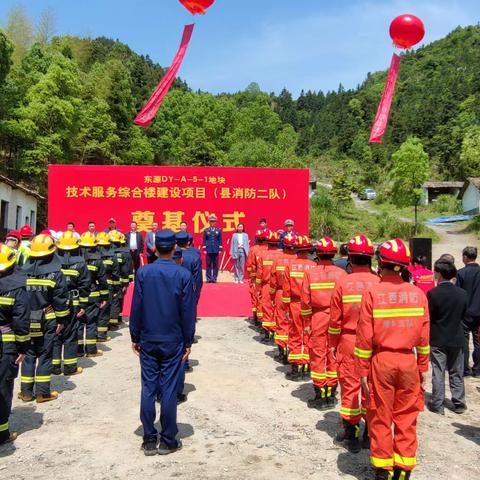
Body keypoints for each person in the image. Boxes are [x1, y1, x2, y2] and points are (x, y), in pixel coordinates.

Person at [355, 238, 430, 480]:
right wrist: (421, 369)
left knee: (380, 416)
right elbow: (424, 338)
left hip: (382, 362)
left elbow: (364, 338)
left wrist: (363, 372)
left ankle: (383, 470)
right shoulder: (418, 295)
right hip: (409, 361)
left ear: (381, 263)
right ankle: (403, 470)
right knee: (407, 418)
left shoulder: (373, 294)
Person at [130, 230, 196, 456]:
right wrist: (188, 340)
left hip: (148, 338)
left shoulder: (144, 273)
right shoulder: (183, 275)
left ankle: (149, 439)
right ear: (175, 249)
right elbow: (188, 312)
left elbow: (136, 307)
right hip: (173, 339)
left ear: (155, 248)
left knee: (148, 388)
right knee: (168, 388)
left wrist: (134, 336)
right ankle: (168, 439)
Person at [329, 234, 380, 453]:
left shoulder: (343, 282)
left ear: (350, 257)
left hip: (349, 340)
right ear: (371, 258)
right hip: (375, 343)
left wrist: (332, 344)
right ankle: (370, 433)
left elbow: (334, 321)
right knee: (372, 388)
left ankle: (350, 434)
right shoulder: (380, 283)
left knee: (350, 386)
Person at [19, 234, 70, 403]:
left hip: (26, 318)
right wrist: (62, 321)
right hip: (46, 317)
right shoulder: (55, 274)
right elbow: (60, 300)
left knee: (28, 352)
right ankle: (42, 393)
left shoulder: (22, 272)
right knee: (45, 353)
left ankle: (26, 392)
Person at [300, 237, 347, 410]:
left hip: (318, 317)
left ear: (317, 254)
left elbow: (305, 302)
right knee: (333, 353)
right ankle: (332, 392)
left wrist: (306, 322)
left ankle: (320, 394)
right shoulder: (342, 274)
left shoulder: (310, 273)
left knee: (318, 352)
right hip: (337, 317)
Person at [427, 260, 467, 415]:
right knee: (457, 371)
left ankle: (437, 403)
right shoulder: (462, 294)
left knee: (438, 371)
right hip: (457, 338)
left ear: (440, 274)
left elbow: (430, 317)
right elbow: (463, 315)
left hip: (438, 338)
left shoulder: (433, 294)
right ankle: (459, 402)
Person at [0, 244, 30, 445]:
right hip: (6, 343)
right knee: (3, 386)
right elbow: (20, 320)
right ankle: (1, 432)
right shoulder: (16, 286)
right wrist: (22, 347)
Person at [53, 231, 90, 376]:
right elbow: (85, 286)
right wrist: (83, 306)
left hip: (55, 304)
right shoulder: (80, 263)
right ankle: (69, 367)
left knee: (55, 333)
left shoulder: (53, 262)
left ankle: (55, 367)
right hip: (73, 303)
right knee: (70, 335)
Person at [282, 235, 316, 381]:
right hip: (310, 306)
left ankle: (296, 368)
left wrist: (285, 307)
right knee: (308, 334)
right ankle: (308, 366)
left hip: (295, 304)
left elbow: (286, 289)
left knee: (295, 334)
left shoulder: (290, 265)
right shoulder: (314, 266)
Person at [270, 232, 296, 364]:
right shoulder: (300, 261)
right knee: (296, 328)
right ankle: (295, 353)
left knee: (282, 322)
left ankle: (282, 352)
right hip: (300, 300)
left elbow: (273, 280)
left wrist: (272, 295)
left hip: (281, 294)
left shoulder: (278, 260)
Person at [79, 232, 109, 345]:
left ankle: (79, 350)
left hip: (79, 296)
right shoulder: (98, 261)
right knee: (91, 322)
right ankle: (91, 350)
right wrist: (105, 297)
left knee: (79, 324)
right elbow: (102, 280)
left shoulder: (75, 261)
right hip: (93, 294)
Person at [255, 231, 284, 342]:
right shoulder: (282, 255)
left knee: (267, 309)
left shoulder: (262, 255)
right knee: (278, 312)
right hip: (280, 288)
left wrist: (258, 288)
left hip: (266, 285)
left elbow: (259, 273)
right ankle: (277, 333)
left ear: (267, 242)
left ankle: (268, 334)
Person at [456, 246, 480, 377]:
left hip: (465, 312)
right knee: (478, 341)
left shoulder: (460, 273)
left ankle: (464, 368)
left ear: (465, 257)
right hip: (479, 312)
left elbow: (458, 293)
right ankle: (478, 369)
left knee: (464, 341)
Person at [108, 231, 133, 328]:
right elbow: (126, 269)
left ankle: (113, 320)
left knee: (110, 300)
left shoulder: (105, 253)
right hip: (120, 281)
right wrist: (126, 284)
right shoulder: (125, 253)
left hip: (107, 281)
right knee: (117, 300)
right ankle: (114, 322)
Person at [246, 230, 268, 326]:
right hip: (269, 279)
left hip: (256, 277)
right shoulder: (269, 249)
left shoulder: (253, 249)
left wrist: (251, 276)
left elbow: (250, 264)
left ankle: (256, 318)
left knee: (256, 297)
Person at [202, 214, 222, 283]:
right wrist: (204, 249)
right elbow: (204, 240)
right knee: (208, 264)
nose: (212, 222)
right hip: (209, 250)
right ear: (209, 222)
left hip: (216, 250)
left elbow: (220, 240)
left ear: (215, 222)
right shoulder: (206, 230)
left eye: (214, 221)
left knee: (215, 264)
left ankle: (214, 278)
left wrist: (220, 249)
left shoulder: (218, 230)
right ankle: (208, 278)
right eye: (211, 221)